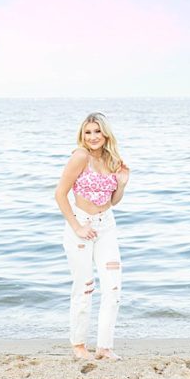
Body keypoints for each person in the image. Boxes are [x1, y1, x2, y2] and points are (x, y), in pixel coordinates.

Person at [54, 112, 131, 361]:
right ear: (82, 135)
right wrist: (77, 226)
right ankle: (78, 346)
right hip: (81, 226)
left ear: (105, 133)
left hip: (106, 225)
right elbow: (60, 194)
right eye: (88, 132)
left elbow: (113, 202)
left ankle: (104, 347)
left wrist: (121, 185)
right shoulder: (80, 157)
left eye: (97, 131)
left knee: (113, 287)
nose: (93, 137)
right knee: (85, 287)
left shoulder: (112, 159)